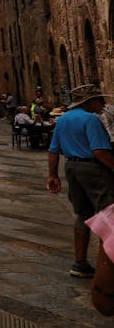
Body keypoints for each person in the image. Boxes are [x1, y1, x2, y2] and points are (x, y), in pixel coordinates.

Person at [45, 84, 114, 278]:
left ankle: (80, 263)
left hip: (71, 168)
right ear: (89, 102)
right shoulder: (91, 119)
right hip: (92, 169)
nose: (103, 103)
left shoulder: (63, 119)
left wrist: (52, 175)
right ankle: (106, 266)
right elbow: (99, 151)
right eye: (99, 100)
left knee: (83, 215)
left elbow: (53, 149)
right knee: (109, 213)